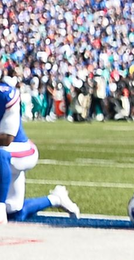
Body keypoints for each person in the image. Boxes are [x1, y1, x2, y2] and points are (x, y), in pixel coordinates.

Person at [0, 81, 79, 224]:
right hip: (6, 156)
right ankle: (56, 198)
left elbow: (7, 139)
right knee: (15, 213)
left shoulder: (5, 94)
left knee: (1, 153)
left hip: (20, 149)